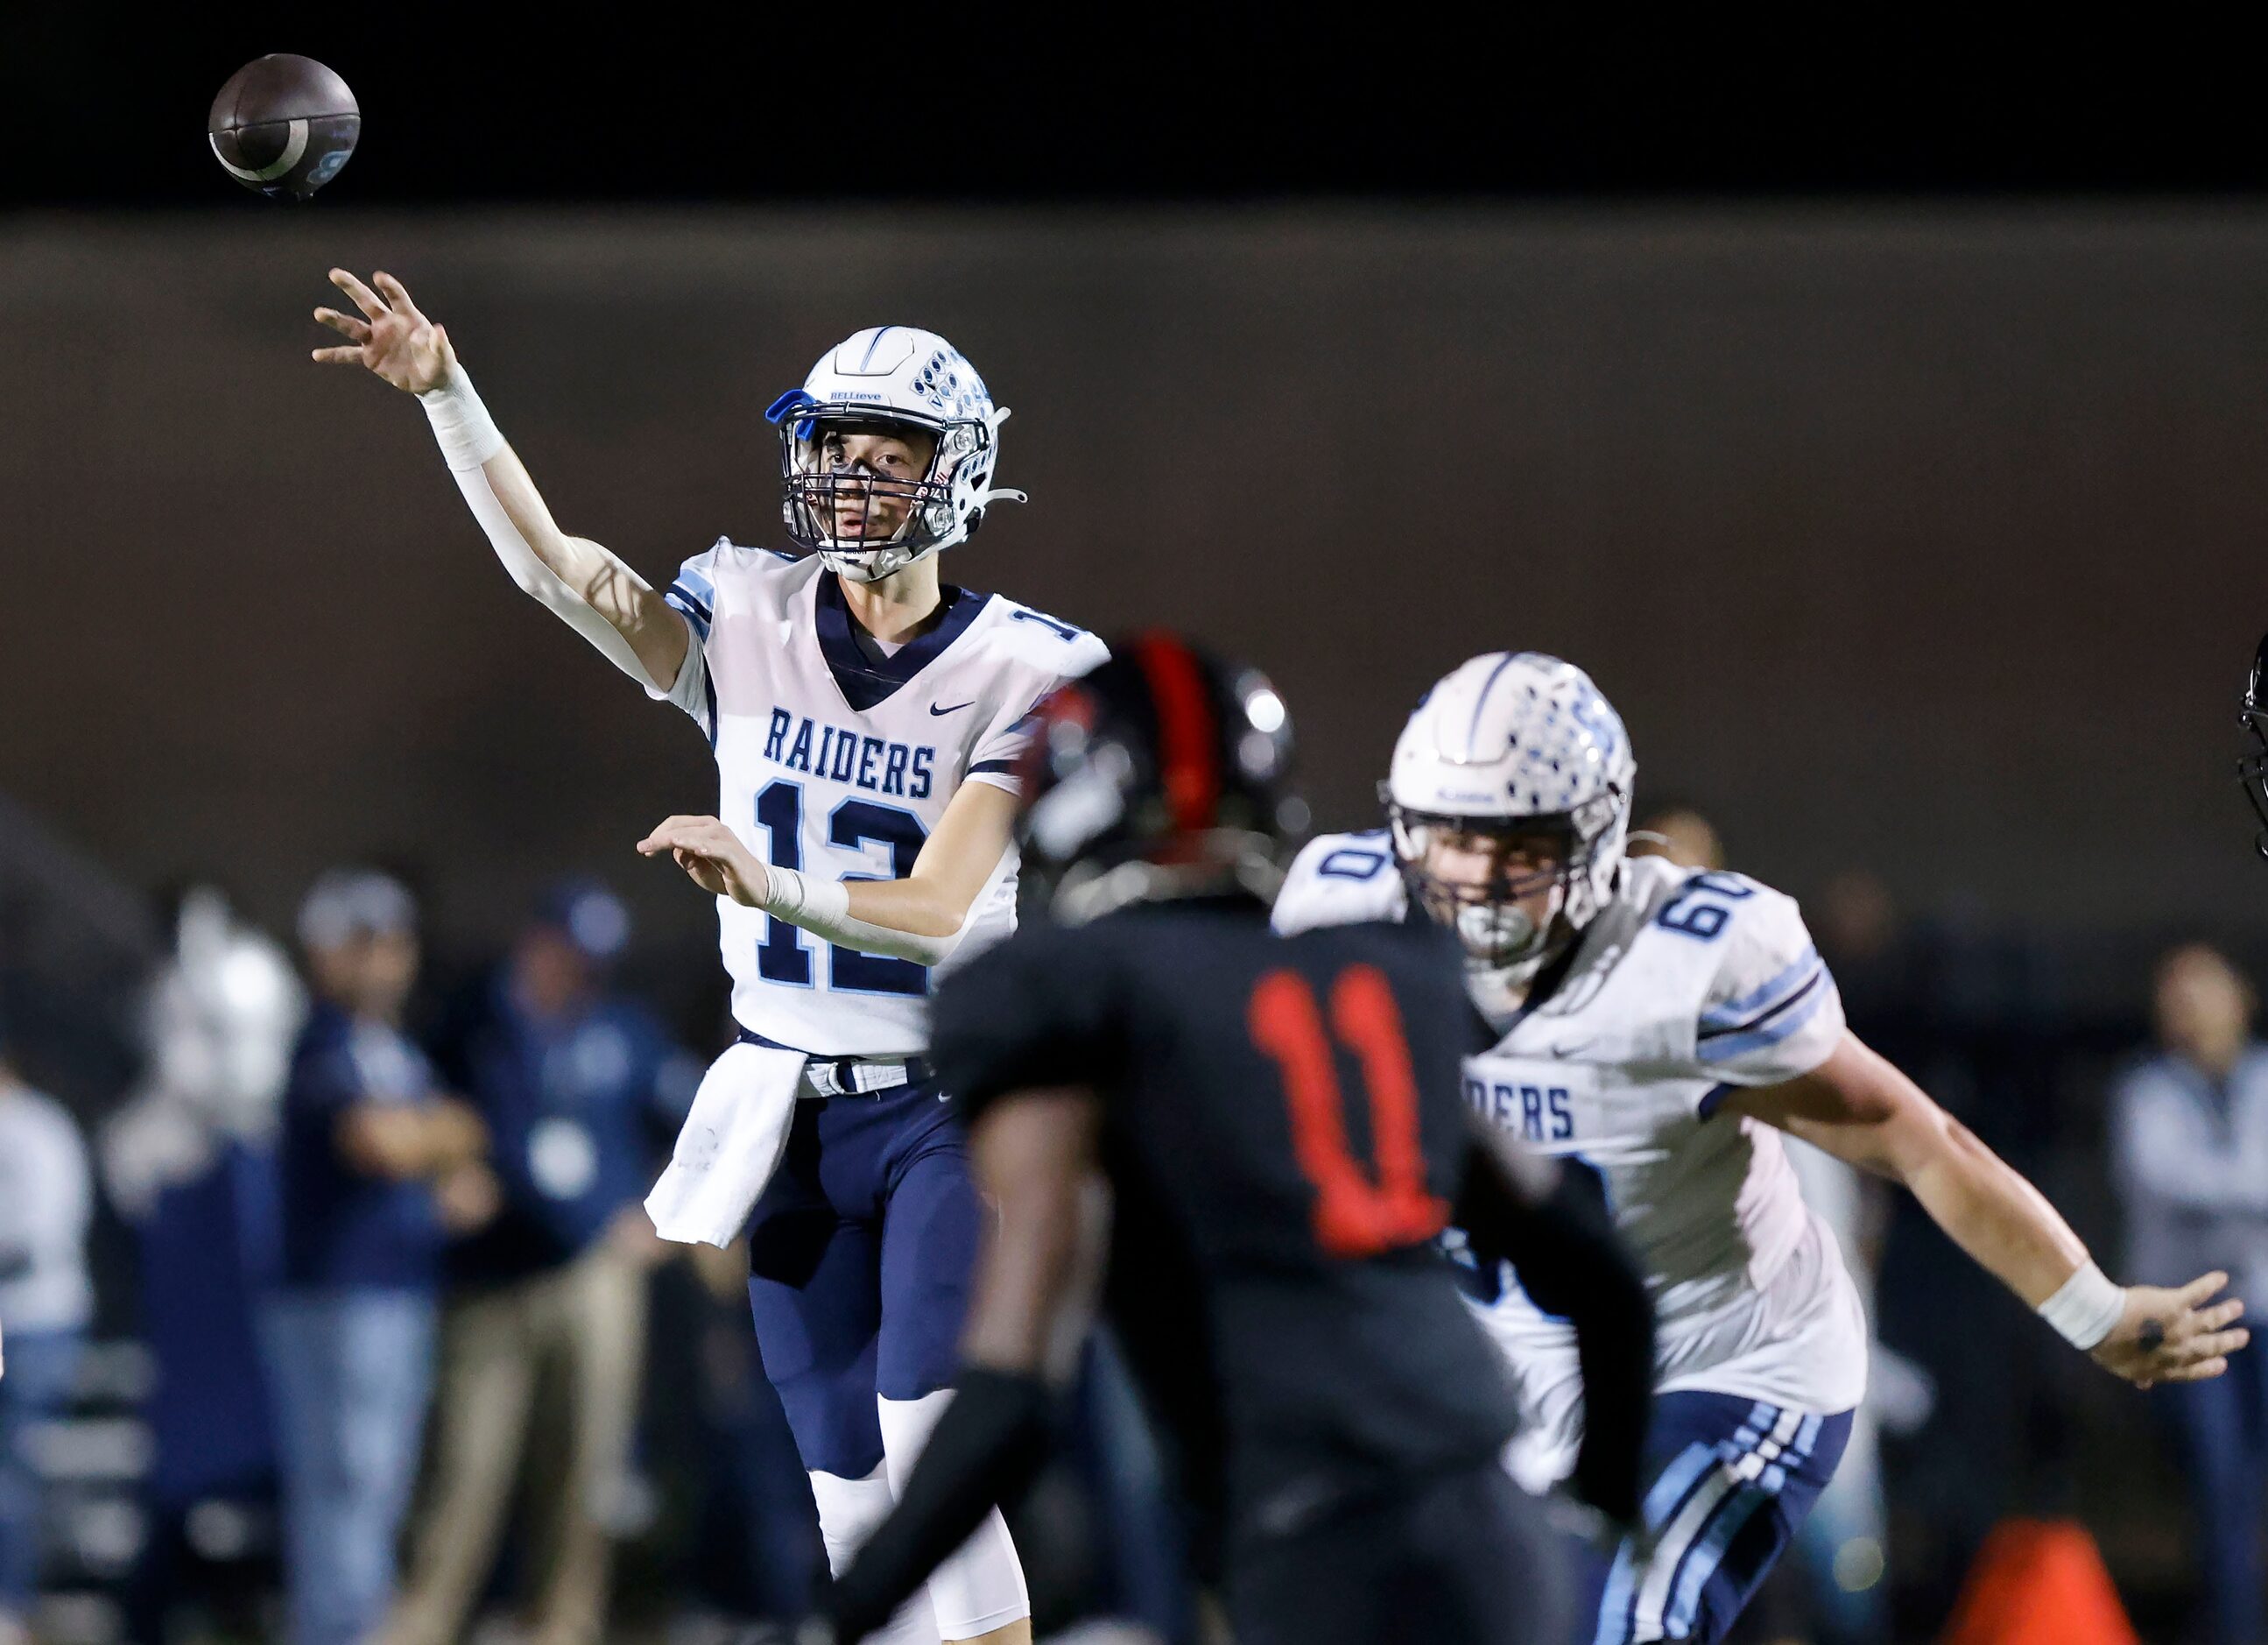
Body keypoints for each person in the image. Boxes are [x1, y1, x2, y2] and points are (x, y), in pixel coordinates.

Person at [314, 272, 1103, 1645]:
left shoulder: (1029, 670)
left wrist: (771, 878)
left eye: (886, 454)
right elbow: (558, 568)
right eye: (832, 451)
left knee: (933, 1456)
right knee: (851, 1499)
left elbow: (936, 901)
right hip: (790, 1107)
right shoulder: (749, 609)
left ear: (958, 470)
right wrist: (447, 392)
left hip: (945, 1110)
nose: (851, 481)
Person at [1271, 651, 2250, 1645]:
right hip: (1506, 1374)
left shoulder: (1689, 964)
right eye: (1452, 839)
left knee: (1628, 1627)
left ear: (1596, 831)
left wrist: (2093, 1308)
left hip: (1728, 1360)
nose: (1478, 879)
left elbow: (1911, 1136)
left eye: (1519, 845)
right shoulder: (1340, 910)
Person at [816, 638, 1656, 1645]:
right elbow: (1603, 1280)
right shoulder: (1384, 980)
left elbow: (1012, 1395)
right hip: (1499, 1538)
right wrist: (1597, 1506)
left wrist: (836, 1619)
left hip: (1315, 1555)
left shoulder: (1067, 1004)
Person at [381, 879, 688, 1645]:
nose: (579, 977)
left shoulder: (622, 1031)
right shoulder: (469, 1019)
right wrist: (443, 1172)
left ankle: (562, 1627)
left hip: (592, 1272)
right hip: (489, 1276)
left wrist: (666, 1215)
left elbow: (697, 1113)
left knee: (584, 1469)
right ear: (536, 941)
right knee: (464, 1470)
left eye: (594, 965)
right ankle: (424, 1621)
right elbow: (416, 1108)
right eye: (569, 957)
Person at [260, 870, 497, 1645]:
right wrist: (431, 1140)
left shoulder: (393, 1048)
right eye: (363, 944)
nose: (384, 961)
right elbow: (381, 1143)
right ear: (323, 954)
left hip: (396, 1286)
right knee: (347, 1481)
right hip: (336, 1296)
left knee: (383, 1481)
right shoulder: (319, 1041)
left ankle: (355, 1625)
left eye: (393, 943)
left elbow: (466, 1138)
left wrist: (428, 1141)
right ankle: (340, 1632)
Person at [2110, 943, 2268, 1645]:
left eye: (2204, 991)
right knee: (2219, 1486)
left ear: (2241, 998)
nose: (2191, 1009)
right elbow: (2162, 1180)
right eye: (2176, 997)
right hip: (2191, 1317)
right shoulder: (2145, 1090)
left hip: (2267, 1306)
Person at [0, 1041, 95, 1645]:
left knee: (14, 1476)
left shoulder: (36, 1128)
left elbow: (37, 1233)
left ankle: (10, 1607)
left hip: (33, 1320)